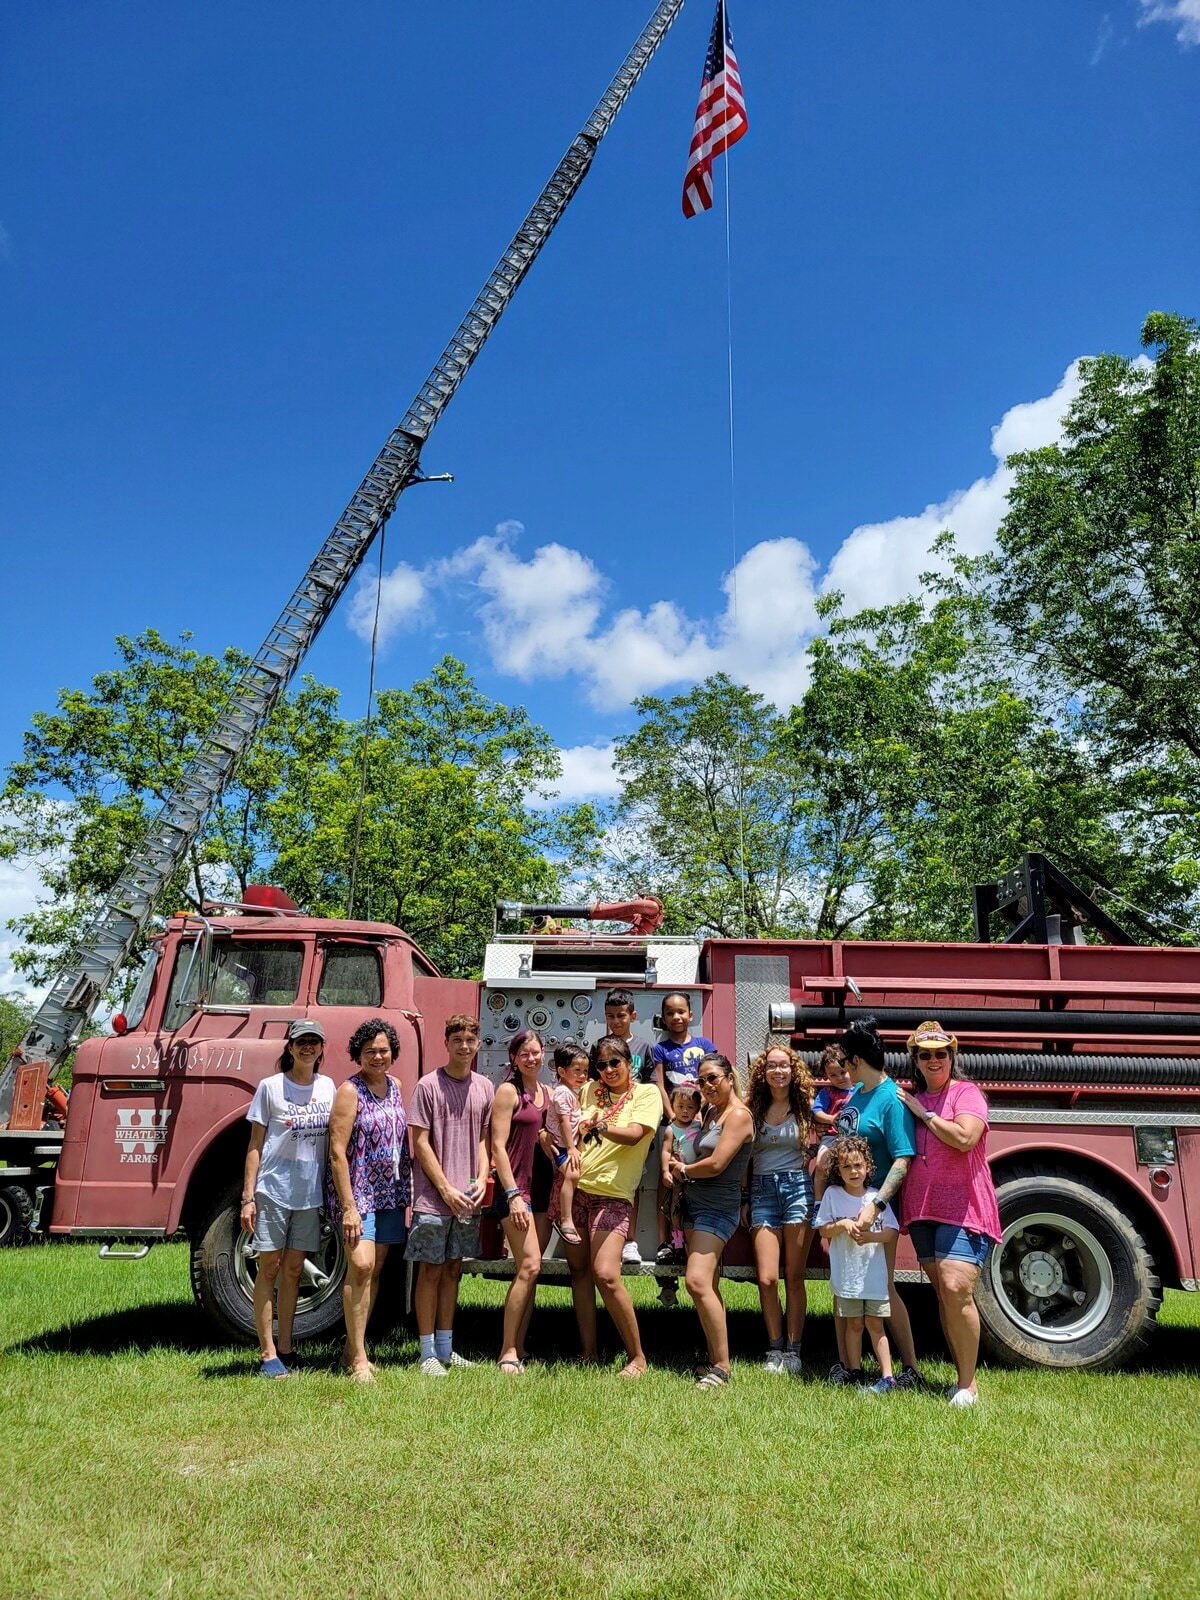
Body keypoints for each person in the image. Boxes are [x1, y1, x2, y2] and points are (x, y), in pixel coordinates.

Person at [896, 1019, 1002, 1408]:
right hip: (924, 1208)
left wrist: (922, 1114)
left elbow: (964, 1138)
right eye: (925, 1054)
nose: (934, 1060)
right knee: (943, 1292)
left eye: (941, 1053)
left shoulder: (966, 1093)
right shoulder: (911, 1097)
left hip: (964, 1206)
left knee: (957, 1287)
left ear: (951, 1056)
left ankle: (968, 1384)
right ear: (916, 1060)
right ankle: (960, 1375)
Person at [823, 1016, 924, 1389]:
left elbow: (903, 1158)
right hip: (843, 1204)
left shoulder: (890, 1099)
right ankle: (848, 1367)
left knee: (882, 1288)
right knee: (842, 1285)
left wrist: (877, 1206)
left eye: (845, 1060)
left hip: (874, 1207)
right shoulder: (858, 1093)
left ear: (855, 1060)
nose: (841, 1067)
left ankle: (909, 1369)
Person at [557, 1035, 663, 1376]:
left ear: (629, 1062)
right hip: (576, 1192)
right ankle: (589, 1351)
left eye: (615, 1062)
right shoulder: (589, 1090)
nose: (607, 1069)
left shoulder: (646, 1094)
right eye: (601, 1064)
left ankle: (638, 1357)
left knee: (606, 1273)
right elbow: (563, 1118)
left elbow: (635, 1133)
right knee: (580, 1273)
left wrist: (600, 1124)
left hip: (614, 1195)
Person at [240, 1019, 335, 1376]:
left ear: (322, 1048)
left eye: (314, 1041)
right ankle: (267, 1354)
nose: (308, 1047)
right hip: (274, 1190)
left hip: (309, 1195)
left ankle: (286, 1348)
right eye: (301, 1041)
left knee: (294, 1270)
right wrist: (248, 1197)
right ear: (290, 1047)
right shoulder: (270, 1087)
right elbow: (255, 1145)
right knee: (270, 1268)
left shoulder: (328, 1087)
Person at [405, 1013, 494, 1377]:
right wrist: (443, 1187)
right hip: (433, 1197)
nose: (464, 1046)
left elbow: (485, 1139)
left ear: (478, 1043)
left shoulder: (485, 1087)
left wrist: (483, 1176)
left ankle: (446, 1347)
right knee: (430, 1271)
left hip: (468, 1199)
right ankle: (426, 1352)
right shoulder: (428, 1086)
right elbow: (420, 1142)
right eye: (457, 1040)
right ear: (447, 1043)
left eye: (470, 1040)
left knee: (454, 1270)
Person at [326, 1018, 410, 1383]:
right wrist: (348, 1206)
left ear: (392, 1052)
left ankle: (352, 1351)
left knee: (375, 1270)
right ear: (358, 1054)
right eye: (370, 1051)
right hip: (359, 1192)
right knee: (359, 1266)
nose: (378, 1056)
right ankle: (359, 1358)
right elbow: (336, 1151)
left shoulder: (396, 1086)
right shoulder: (349, 1091)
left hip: (390, 1191)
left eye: (383, 1050)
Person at [668, 1051, 754, 1390]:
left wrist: (684, 1170)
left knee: (697, 1282)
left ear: (730, 1077)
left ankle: (721, 1368)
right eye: (701, 1080)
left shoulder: (739, 1116)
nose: (706, 1086)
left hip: (717, 1209)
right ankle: (711, 1356)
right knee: (709, 1286)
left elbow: (717, 1164)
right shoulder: (712, 1112)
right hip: (693, 1204)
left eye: (713, 1078)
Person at [745, 1044, 815, 1375]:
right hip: (761, 1190)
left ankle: (793, 1350)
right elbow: (742, 1155)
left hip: (797, 1187)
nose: (778, 1071)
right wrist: (744, 1196)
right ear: (763, 1071)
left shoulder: (805, 1106)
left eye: (784, 1065)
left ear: (793, 1070)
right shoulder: (753, 1107)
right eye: (772, 1066)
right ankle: (774, 1349)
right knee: (768, 1278)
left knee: (795, 1276)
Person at [814, 1135, 900, 1393]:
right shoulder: (832, 1195)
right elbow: (823, 1231)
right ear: (837, 1171)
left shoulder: (875, 1199)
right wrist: (842, 1225)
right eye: (846, 1167)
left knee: (876, 1324)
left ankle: (887, 1377)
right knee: (853, 1325)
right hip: (847, 1279)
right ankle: (854, 1371)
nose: (853, 1171)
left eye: (858, 1165)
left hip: (873, 1278)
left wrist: (870, 1236)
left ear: (868, 1167)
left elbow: (892, 1232)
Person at [489, 1030, 550, 1374]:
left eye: (536, 1052)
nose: (531, 1058)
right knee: (528, 1265)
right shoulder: (508, 1092)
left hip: (541, 1190)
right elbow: (498, 1146)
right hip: (516, 1191)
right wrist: (512, 1195)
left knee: (531, 1270)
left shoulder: (546, 1093)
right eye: (523, 1053)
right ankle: (507, 1351)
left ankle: (522, 1347)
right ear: (513, 1058)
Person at [603, 988, 659, 1264]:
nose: (616, 1021)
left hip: (636, 1124)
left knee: (632, 1184)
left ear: (633, 1016)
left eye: (621, 1016)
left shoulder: (645, 1047)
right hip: (608, 1127)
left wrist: (661, 1116)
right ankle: (605, 1236)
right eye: (611, 1016)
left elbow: (654, 1082)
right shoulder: (601, 1046)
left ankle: (629, 1240)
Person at [543, 1044, 588, 1247]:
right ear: (562, 1071)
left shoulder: (571, 1092)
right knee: (572, 1175)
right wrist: (571, 1148)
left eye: (585, 1070)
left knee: (570, 1176)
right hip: (561, 1145)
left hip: (567, 1144)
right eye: (576, 1070)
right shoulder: (562, 1093)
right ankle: (565, 1220)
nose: (582, 1075)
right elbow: (564, 1122)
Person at [656, 1082, 703, 1264]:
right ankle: (677, 1246)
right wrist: (665, 1171)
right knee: (675, 1210)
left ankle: (691, 1246)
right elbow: (666, 1151)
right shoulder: (671, 1129)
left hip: (696, 1177)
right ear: (672, 1106)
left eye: (690, 1107)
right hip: (677, 1176)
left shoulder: (699, 1126)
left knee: (690, 1211)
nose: (685, 1111)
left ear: (698, 1108)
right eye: (680, 1107)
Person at [650, 993, 716, 1105]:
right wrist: (672, 1115)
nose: (676, 1017)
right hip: (675, 1114)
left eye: (681, 1012)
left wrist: (698, 1108)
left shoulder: (705, 1045)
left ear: (690, 1015)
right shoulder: (660, 1049)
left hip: (703, 1111)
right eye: (670, 1013)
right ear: (664, 1019)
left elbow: (713, 1080)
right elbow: (659, 1087)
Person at [810, 1042, 854, 1181]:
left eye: (843, 1072)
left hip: (855, 1138)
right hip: (832, 1137)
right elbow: (816, 1111)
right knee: (821, 1164)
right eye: (833, 1075)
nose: (839, 1078)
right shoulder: (827, 1092)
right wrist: (830, 1119)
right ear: (826, 1075)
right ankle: (818, 1200)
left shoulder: (861, 1089)